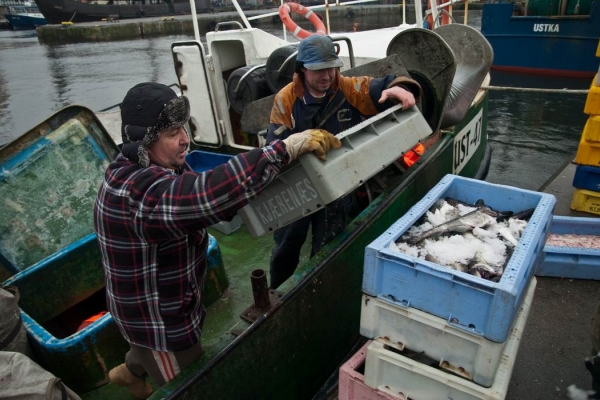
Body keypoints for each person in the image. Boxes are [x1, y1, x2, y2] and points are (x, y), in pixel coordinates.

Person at [93, 82, 340, 399]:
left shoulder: (149, 165)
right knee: (192, 384)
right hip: (158, 319)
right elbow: (203, 195)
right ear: (143, 143)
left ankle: (129, 372)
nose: (185, 140)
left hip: (143, 295)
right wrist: (284, 149)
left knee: (142, 346)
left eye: (183, 128)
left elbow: (206, 188)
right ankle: (147, 372)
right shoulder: (140, 192)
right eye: (172, 134)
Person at [266, 34, 422, 289]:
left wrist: (399, 87)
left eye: (331, 67)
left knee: (328, 241)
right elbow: (274, 148)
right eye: (318, 70)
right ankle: (276, 292)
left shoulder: (347, 87)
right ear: (302, 69)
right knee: (287, 243)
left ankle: (320, 287)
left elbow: (380, 86)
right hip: (299, 181)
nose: (326, 76)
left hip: (337, 179)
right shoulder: (285, 99)